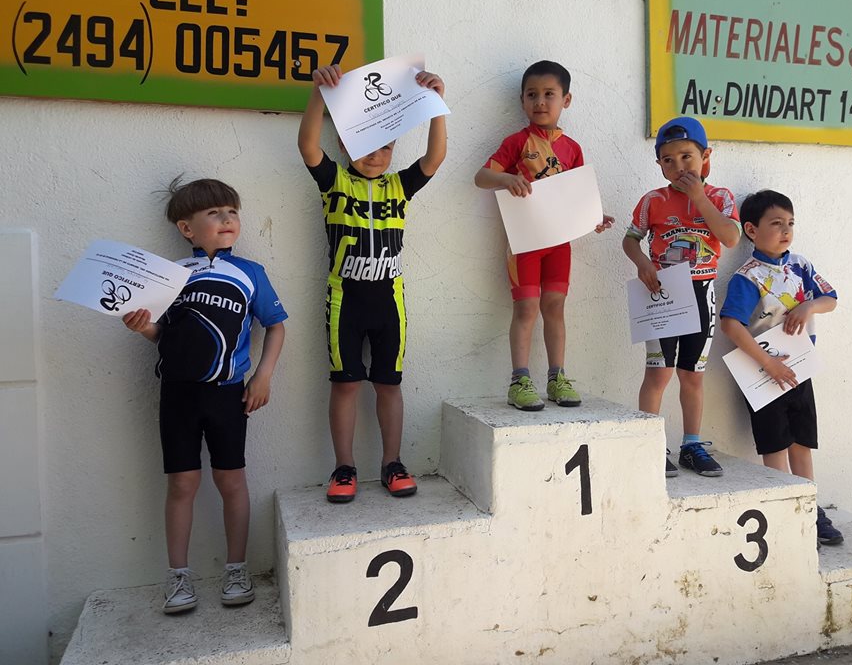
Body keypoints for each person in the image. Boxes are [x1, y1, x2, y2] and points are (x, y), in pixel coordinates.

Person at [123, 177, 288, 613]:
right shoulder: (171, 274)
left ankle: (237, 568)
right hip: (176, 395)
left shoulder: (250, 272)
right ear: (186, 228)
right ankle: (178, 576)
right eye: (214, 213)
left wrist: (263, 376)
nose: (227, 219)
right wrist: (143, 327)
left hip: (229, 394)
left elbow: (275, 326)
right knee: (182, 483)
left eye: (232, 211)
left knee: (231, 480)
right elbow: (163, 336)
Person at [298, 64, 447, 504]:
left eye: (385, 146)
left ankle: (392, 463)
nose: (376, 154)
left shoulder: (399, 186)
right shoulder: (335, 181)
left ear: (394, 148)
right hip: (344, 299)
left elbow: (435, 158)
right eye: (365, 144)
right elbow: (307, 146)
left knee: (389, 384)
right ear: (345, 143)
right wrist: (318, 95)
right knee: (345, 384)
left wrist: (436, 104)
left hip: (389, 301)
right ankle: (344, 467)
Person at [475, 60, 614, 411]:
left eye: (549, 94)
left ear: (566, 100)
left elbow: (578, 196)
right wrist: (507, 178)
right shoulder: (516, 142)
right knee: (527, 307)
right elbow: (481, 177)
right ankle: (519, 381)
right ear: (522, 100)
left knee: (554, 307)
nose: (540, 101)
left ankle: (557, 378)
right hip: (524, 242)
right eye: (532, 94)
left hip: (559, 243)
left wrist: (594, 218)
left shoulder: (572, 148)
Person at [719, 189, 843, 545]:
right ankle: (788, 513)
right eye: (776, 223)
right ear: (751, 230)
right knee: (775, 444)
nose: (786, 230)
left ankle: (811, 508)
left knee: (802, 442)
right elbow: (731, 325)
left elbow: (830, 299)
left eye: (790, 223)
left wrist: (808, 307)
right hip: (763, 376)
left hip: (800, 370)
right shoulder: (748, 277)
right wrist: (768, 363)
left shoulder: (801, 265)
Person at [622, 116, 740, 477]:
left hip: (702, 294)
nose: (678, 167)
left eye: (687, 156)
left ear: (706, 156)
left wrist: (698, 197)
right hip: (663, 295)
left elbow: (730, 237)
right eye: (668, 160)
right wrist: (643, 263)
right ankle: (648, 446)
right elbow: (630, 239)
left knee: (692, 375)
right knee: (659, 373)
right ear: (659, 164)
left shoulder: (720, 197)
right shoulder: (653, 200)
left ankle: (691, 444)